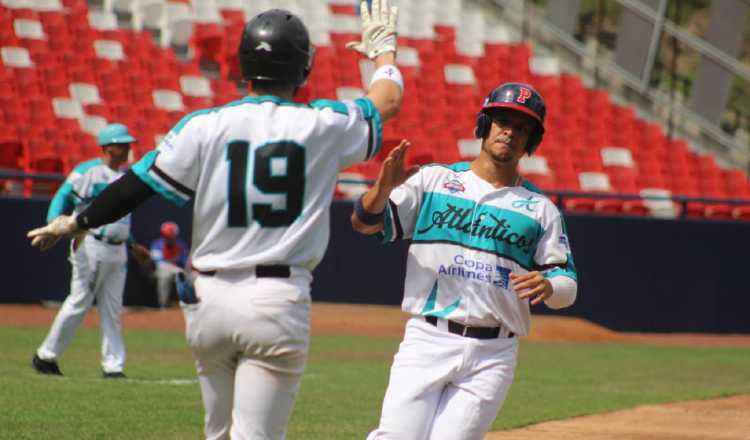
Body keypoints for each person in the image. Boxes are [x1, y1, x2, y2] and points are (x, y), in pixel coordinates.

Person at [28, 2, 403, 438]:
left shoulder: (203, 124)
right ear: (303, 69)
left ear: (245, 63)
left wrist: (78, 221)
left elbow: (137, 184)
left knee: (218, 433)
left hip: (208, 301)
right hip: (275, 298)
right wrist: (383, 52)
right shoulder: (325, 123)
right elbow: (388, 100)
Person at [352, 83, 578, 440]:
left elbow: (567, 287)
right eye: (502, 120)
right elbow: (365, 224)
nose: (510, 132)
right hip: (428, 337)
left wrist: (550, 285)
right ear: (483, 124)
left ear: (532, 141)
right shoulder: (435, 180)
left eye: (522, 128)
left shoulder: (540, 209)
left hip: (493, 353)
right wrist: (380, 191)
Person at [31, 123, 152, 379]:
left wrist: (132, 245)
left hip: (118, 249)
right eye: (123, 144)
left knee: (112, 309)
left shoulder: (125, 175)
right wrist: (54, 224)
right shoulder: (88, 171)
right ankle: (45, 356)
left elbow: (118, 220)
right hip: (91, 244)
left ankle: (113, 366)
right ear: (108, 147)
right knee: (79, 302)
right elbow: (62, 196)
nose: (129, 148)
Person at [149, 221, 189, 308]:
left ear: (175, 236)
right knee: (165, 275)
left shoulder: (181, 245)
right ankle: (163, 306)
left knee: (188, 276)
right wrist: (175, 262)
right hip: (162, 271)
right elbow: (158, 262)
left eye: (170, 236)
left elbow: (185, 261)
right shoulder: (157, 244)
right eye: (166, 236)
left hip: (179, 272)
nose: (168, 238)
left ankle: (188, 304)